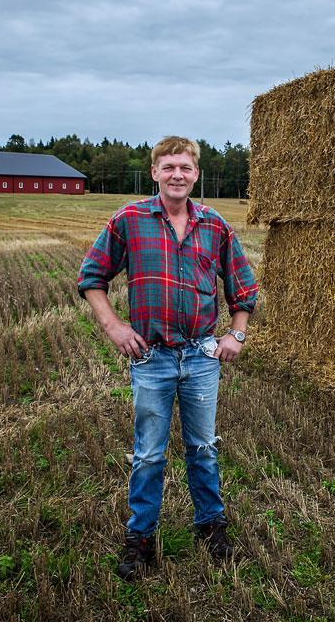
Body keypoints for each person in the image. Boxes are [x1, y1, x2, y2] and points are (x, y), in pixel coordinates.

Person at [77, 135, 258, 580]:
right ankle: (140, 538)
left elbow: (243, 288)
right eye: (169, 167)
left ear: (196, 174)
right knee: (149, 454)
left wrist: (236, 334)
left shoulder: (215, 226)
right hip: (152, 359)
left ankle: (210, 526)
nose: (177, 174)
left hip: (200, 356)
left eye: (185, 167)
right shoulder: (130, 220)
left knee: (203, 448)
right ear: (155, 171)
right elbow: (91, 277)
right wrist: (114, 326)